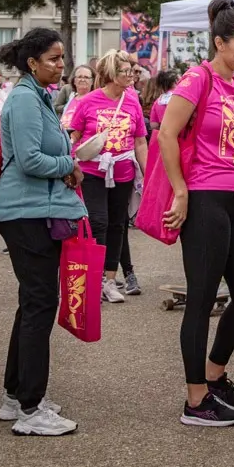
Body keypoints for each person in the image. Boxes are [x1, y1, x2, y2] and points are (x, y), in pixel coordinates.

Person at [161, 0, 234, 426]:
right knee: (201, 300)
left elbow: (225, 136)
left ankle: (214, 375)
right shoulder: (196, 79)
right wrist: (181, 191)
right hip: (203, 199)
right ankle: (195, 401)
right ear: (219, 43)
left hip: (232, 195)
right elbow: (167, 134)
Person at [0, 28, 85, 437]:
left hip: (28, 210)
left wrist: (67, 159)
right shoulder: (27, 98)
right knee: (40, 303)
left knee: (33, 301)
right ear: (32, 62)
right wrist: (70, 163)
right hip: (26, 211)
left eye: (62, 58)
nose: (61, 65)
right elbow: (30, 160)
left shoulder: (33, 95)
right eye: (53, 58)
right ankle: (30, 407)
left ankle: (17, 397)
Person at [68, 50, 149, 304]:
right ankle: (96, 277)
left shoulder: (133, 101)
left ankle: (110, 280)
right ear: (113, 74)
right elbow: (74, 136)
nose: (132, 75)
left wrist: (147, 177)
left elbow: (140, 142)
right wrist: (72, 164)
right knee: (98, 221)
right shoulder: (89, 101)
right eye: (126, 71)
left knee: (118, 224)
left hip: (123, 171)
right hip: (93, 171)